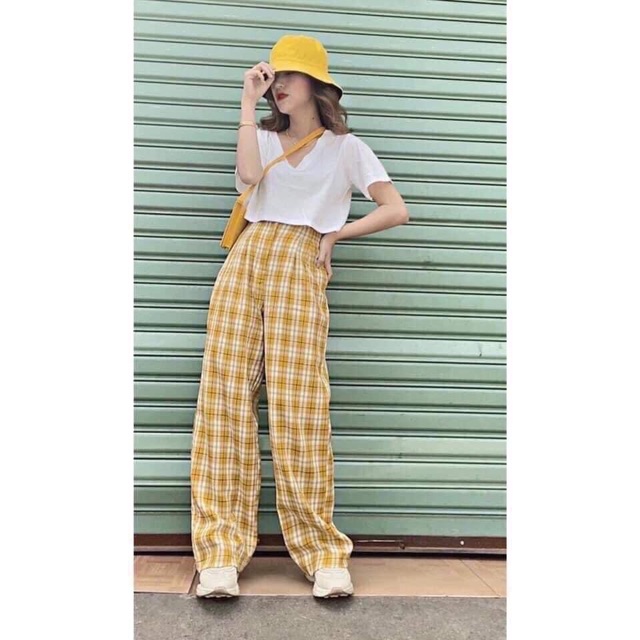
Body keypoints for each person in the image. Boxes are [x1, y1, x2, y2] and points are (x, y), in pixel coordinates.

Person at [190, 34, 410, 599]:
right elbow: (247, 178)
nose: (279, 85)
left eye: (290, 75)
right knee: (224, 400)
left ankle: (322, 553)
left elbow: (395, 209)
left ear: (316, 84)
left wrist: (335, 235)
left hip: (301, 260)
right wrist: (247, 103)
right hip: (247, 258)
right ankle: (220, 553)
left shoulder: (347, 148)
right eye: (274, 77)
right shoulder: (262, 137)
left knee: (301, 404)